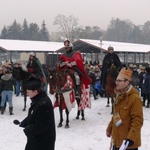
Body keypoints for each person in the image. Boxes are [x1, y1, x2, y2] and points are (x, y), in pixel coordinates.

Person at [13, 76, 56, 150]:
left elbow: (41, 125)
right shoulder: (38, 100)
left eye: (28, 92)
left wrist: (27, 129)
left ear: (35, 92)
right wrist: (24, 122)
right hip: (36, 140)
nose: (27, 94)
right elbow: (34, 115)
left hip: (42, 143)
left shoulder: (43, 104)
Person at [106, 68, 143, 150]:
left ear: (127, 82)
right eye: (116, 80)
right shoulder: (119, 95)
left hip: (128, 144)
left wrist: (130, 138)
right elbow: (116, 115)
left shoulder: (135, 98)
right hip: (117, 141)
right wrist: (110, 127)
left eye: (119, 81)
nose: (116, 83)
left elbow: (138, 120)